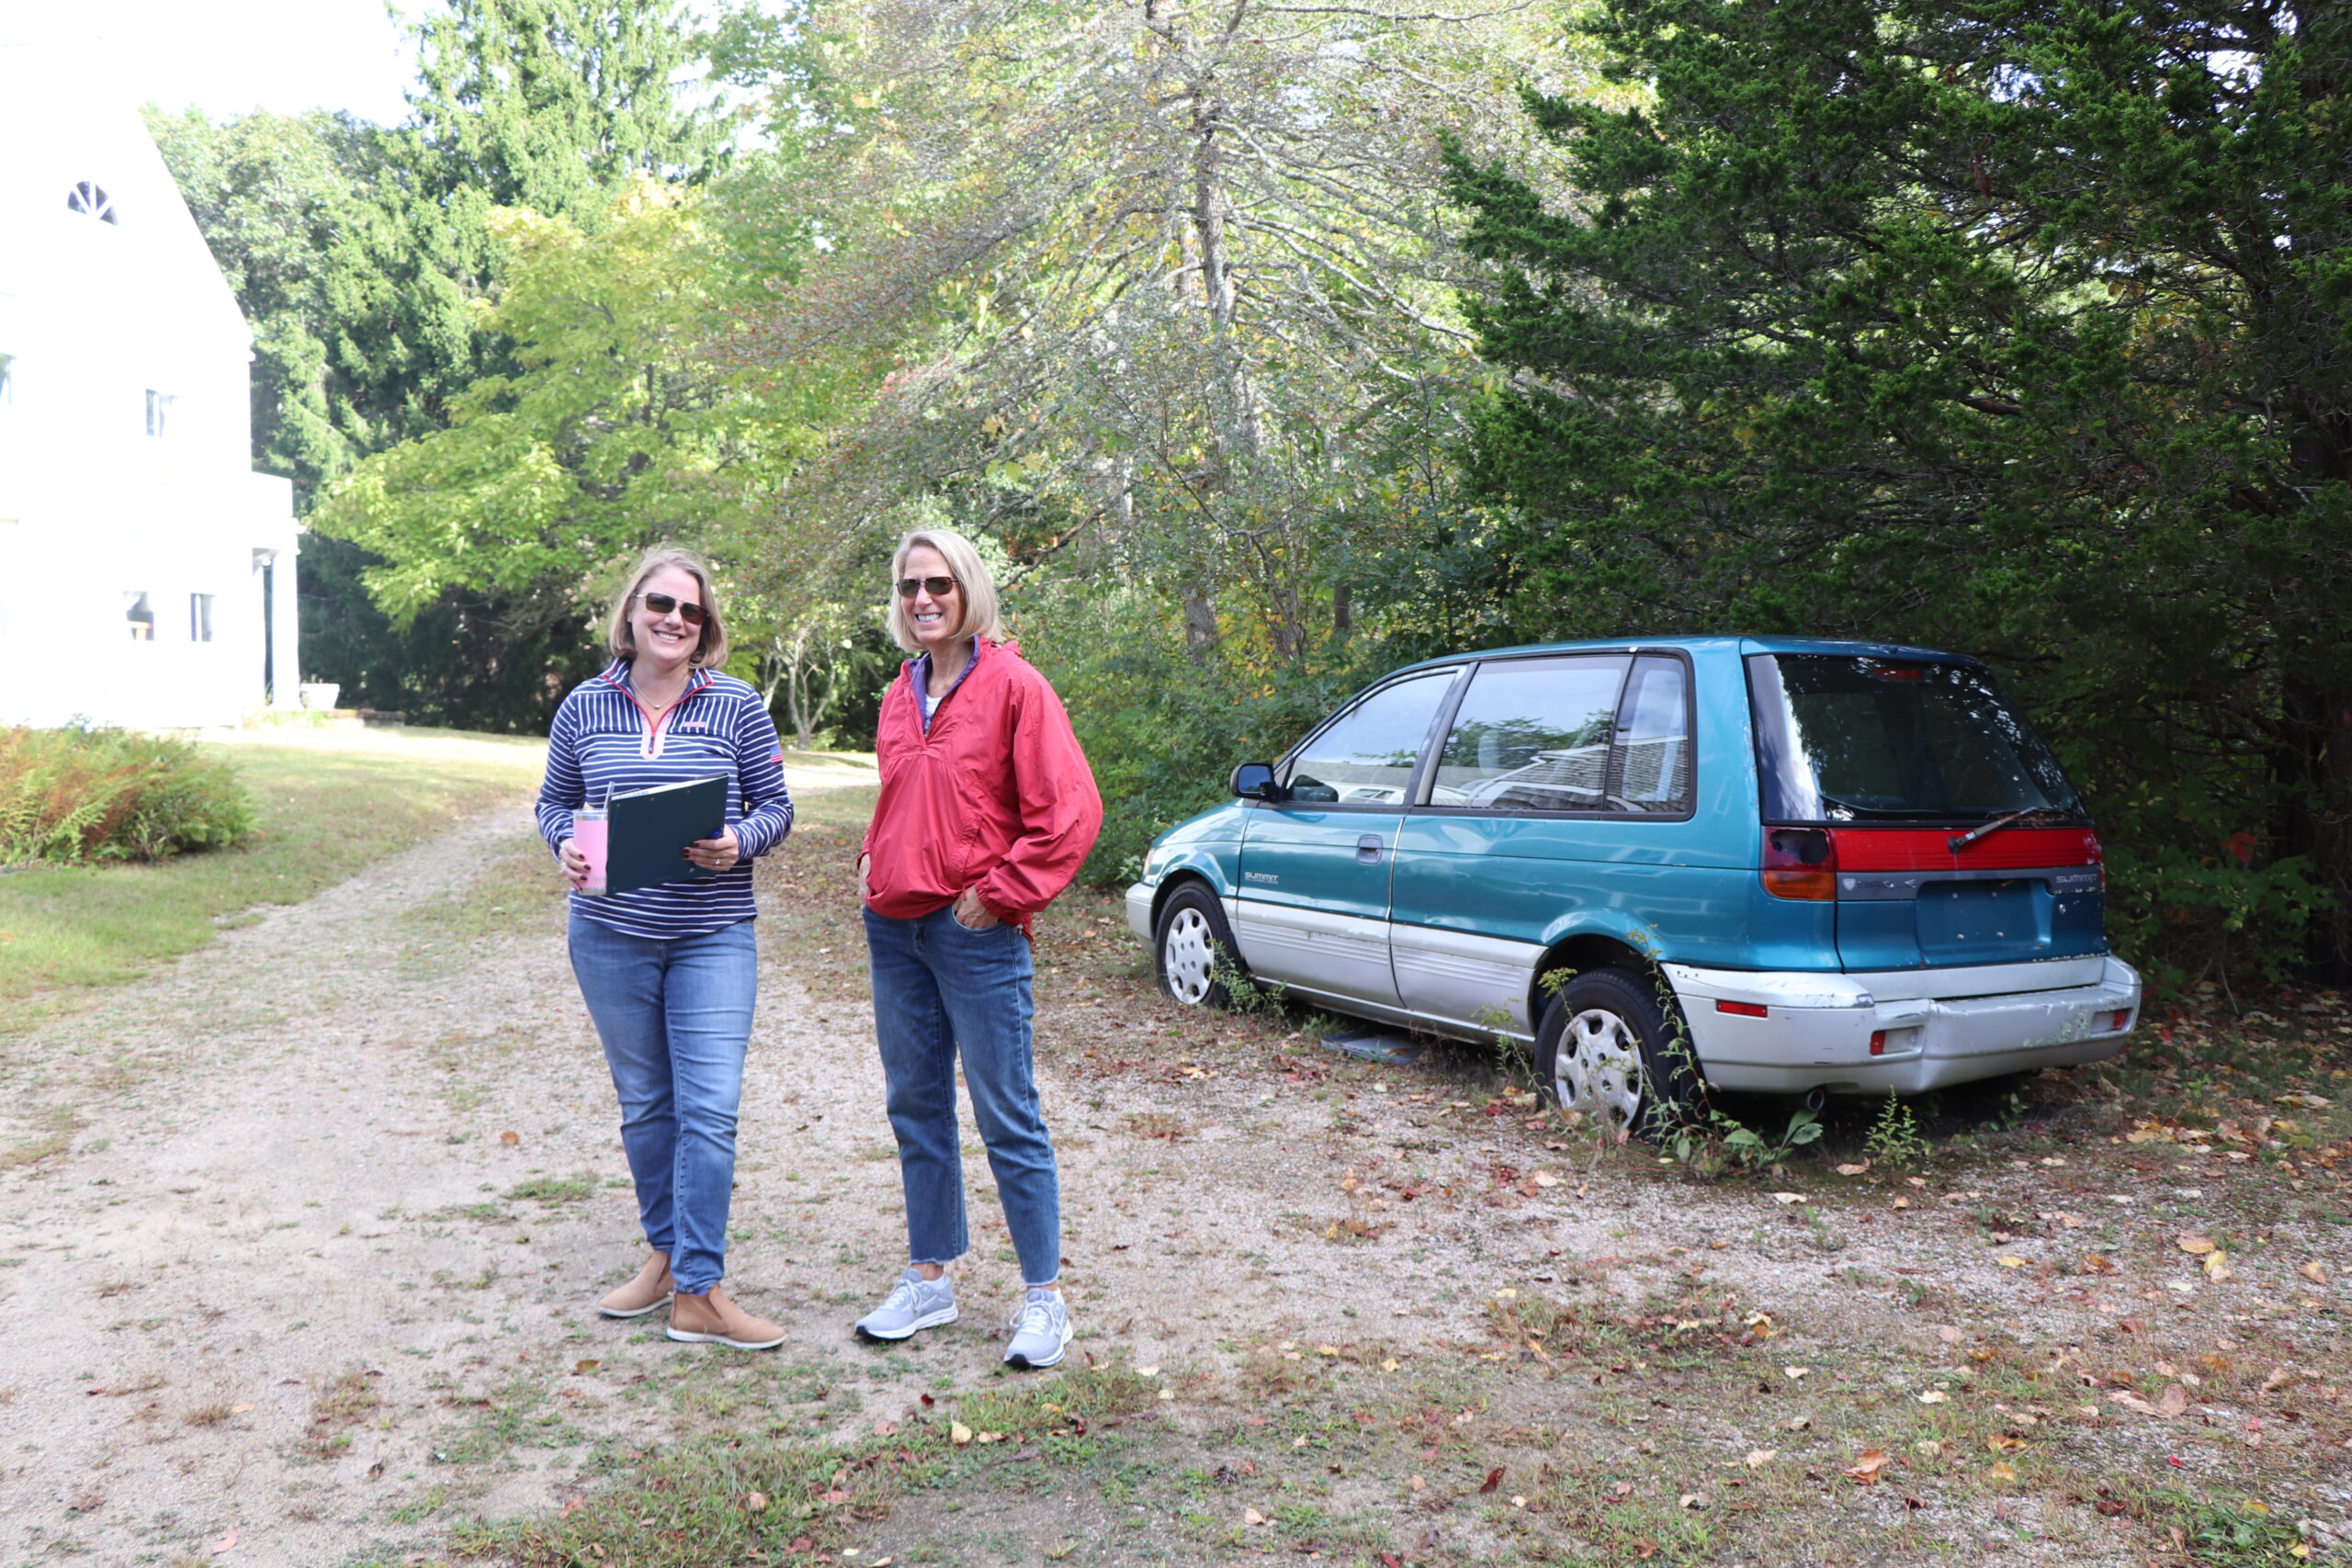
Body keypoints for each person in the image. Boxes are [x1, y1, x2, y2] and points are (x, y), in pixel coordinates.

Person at [853, 528, 1102, 1369]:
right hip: (896, 930)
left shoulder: (1015, 688)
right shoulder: (899, 692)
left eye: (939, 585)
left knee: (1008, 1114)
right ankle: (930, 1278)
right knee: (916, 1106)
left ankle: (1045, 1299)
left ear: (969, 592)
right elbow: (907, 795)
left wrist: (996, 896)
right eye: (909, 586)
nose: (922, 599)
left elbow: (1069, 814)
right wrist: (868, 857)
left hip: (975, 936)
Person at [537, 547, 795, 1349]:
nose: (673, 620)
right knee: (647, 1106)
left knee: (709, 1111)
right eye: (660, 604)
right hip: (610, 936)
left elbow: (777, 808)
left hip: (712, 935)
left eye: (689, 610)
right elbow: (552, 803)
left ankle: (702, 1288)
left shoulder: (738, 706)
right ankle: (665, 1257)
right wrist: (564, 849)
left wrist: (737, 840)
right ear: (633, 610)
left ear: (705, 625)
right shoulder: (584, 704)